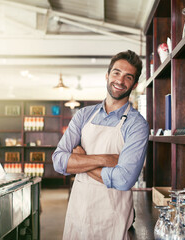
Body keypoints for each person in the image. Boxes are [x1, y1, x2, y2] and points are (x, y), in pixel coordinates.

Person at [52, 50, 149, 240]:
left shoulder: (137, 124)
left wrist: (80, 161)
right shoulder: (83, 115)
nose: (120, 81)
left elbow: (123, 180)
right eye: (116, 73)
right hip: (78, 215)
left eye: (128, 77)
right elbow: (58, 161)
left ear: (135, 84)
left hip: (112, 220)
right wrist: (105, 159)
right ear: (107, 75)